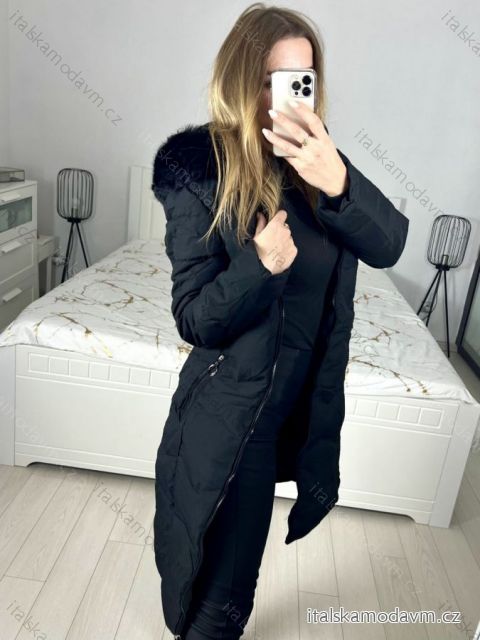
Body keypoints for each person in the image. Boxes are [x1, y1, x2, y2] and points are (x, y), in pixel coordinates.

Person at [151, 4, 409, 639]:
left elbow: (389, 245)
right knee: (221, 595)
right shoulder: (199, 169)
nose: (289, 96)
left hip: (298, 405)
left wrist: (339, 181)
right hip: (235, 417)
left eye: (303, 79)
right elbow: (194, 317)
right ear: (243, 79)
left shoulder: (321, 163)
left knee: (230, 574)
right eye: (273, 79)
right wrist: (259, 266)